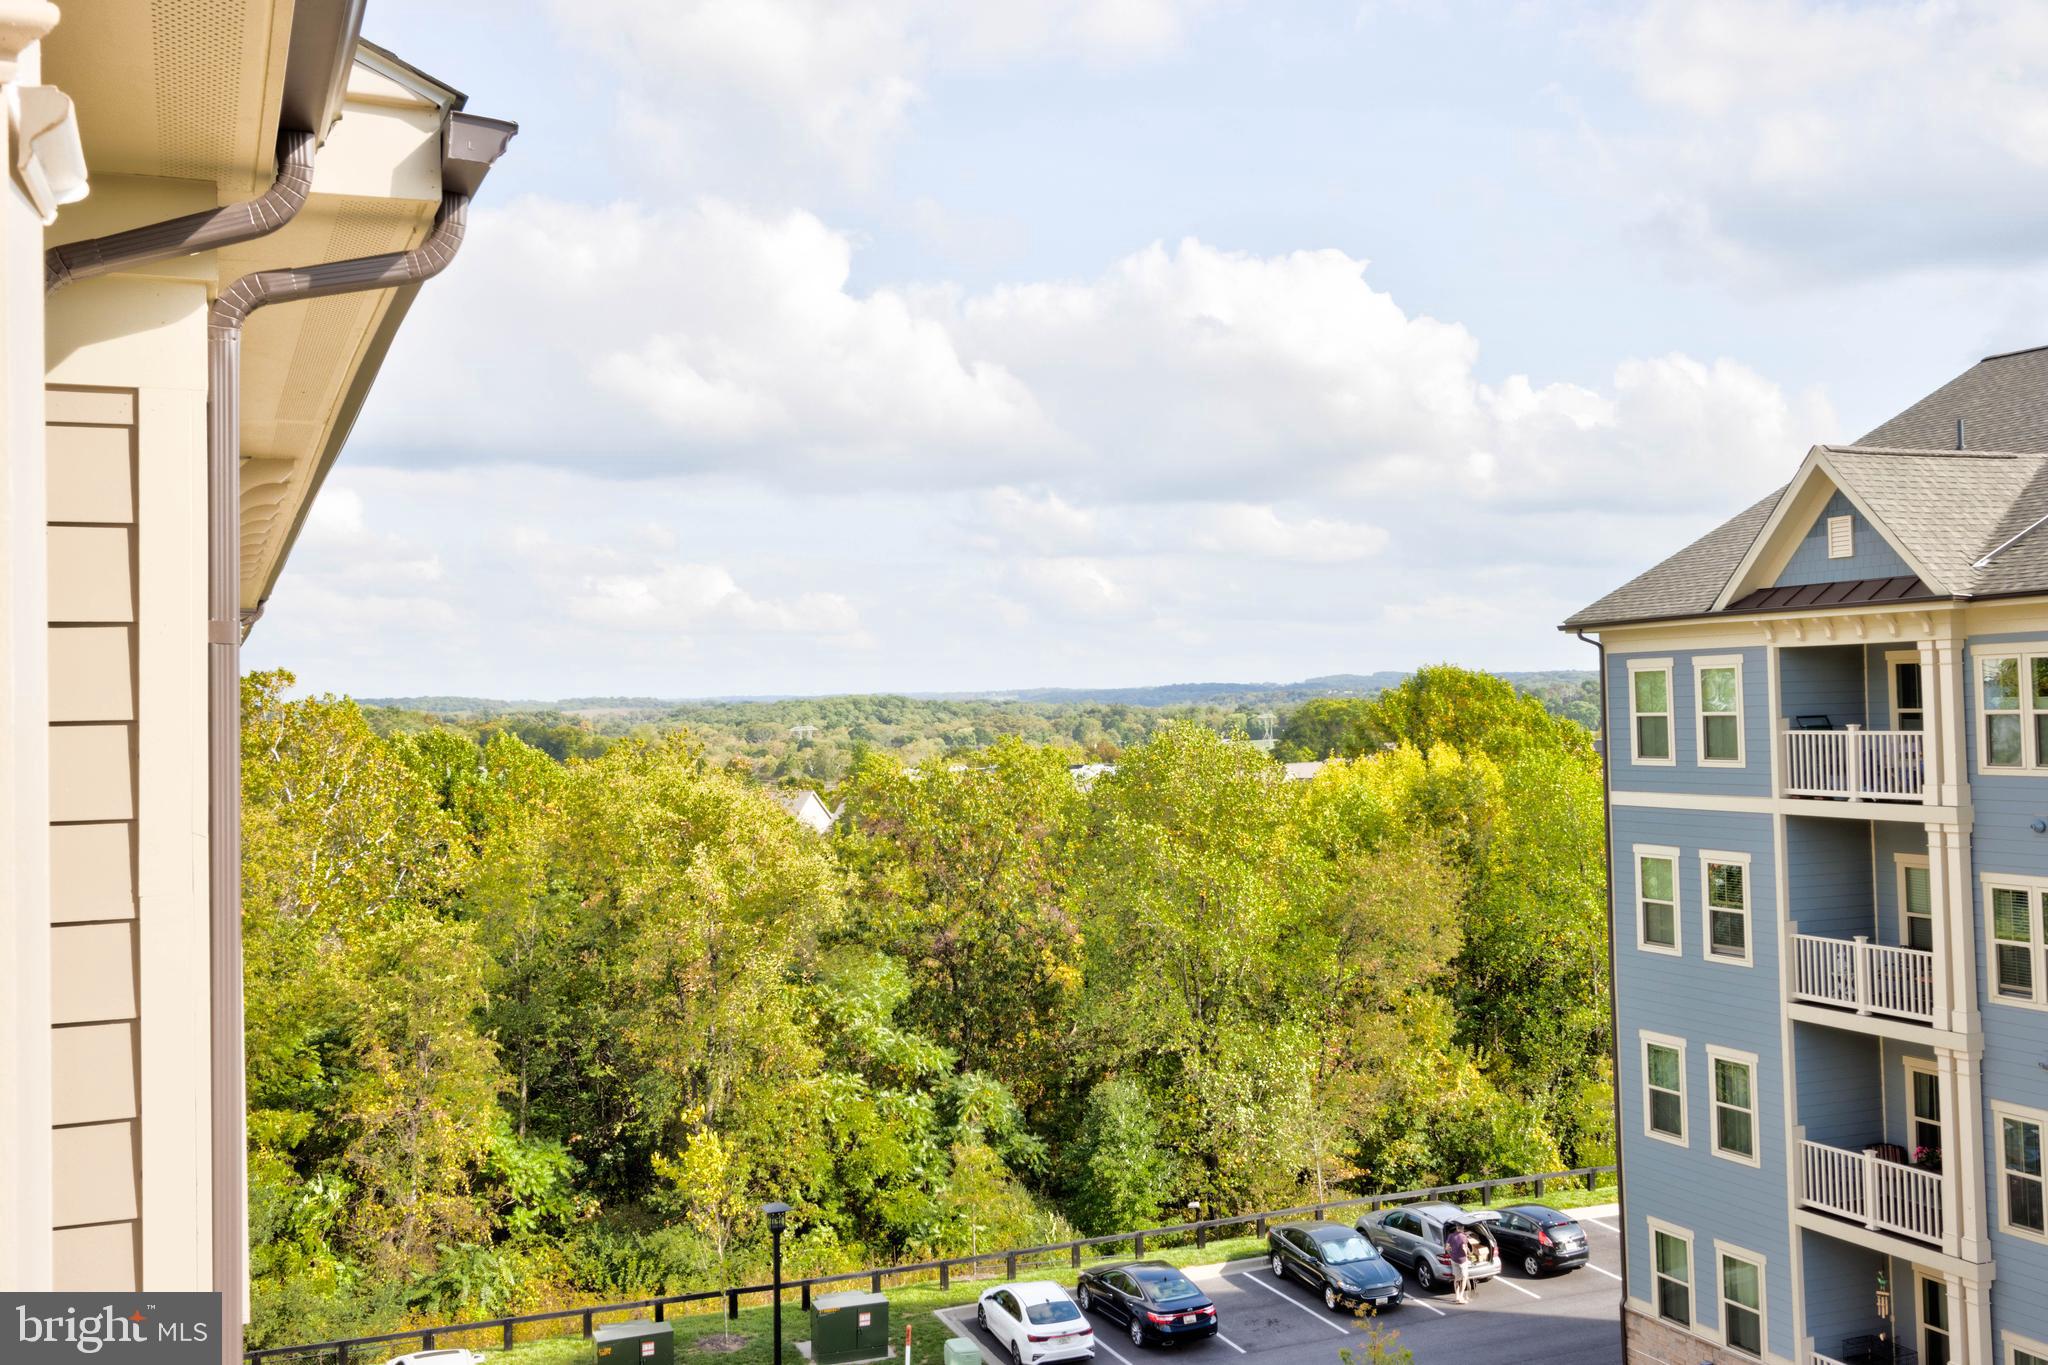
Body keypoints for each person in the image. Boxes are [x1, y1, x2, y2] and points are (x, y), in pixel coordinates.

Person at [1444, 1222, 1472, 1304]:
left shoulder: (1450, 1236)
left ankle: (1456, 1296)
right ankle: (1461, 1297)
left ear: (1456, 1228)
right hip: (1462, 1261)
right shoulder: (1464, 1237)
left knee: (1456, 1278)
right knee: (1464, 1278)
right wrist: (1468, 1255)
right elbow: (1464, 1248)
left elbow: (1447, 1247)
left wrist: (1451, 1253)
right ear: (1462, 1229)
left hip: (1454, 1259)